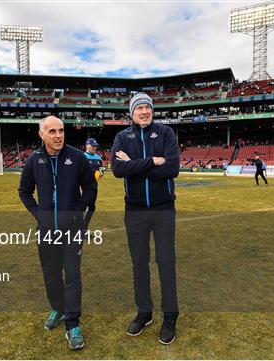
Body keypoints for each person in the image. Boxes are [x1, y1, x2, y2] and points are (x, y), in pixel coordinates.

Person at [18, 116, 97, 350]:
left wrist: (77, 211)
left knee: (72, 276)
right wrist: (38, 214)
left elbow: (91, 188)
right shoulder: (34, 160)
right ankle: (58, 308)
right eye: (52, 131)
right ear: (42, 134)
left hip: (71, 230)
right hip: (45, 231)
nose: (58, 135)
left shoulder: (77, 157)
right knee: (51, 274)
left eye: (61, 130)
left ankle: (72, 324)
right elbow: (24, 191)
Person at [111, 92, 180, 345]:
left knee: (166, 262)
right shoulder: (122, 137)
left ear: (152, 111)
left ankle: (170, 315)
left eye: (147, 107)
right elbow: (118, 170)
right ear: (131, 112)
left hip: (163, 210)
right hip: (135, 211)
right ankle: (144, 312)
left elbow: (172, 169)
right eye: (139, 107)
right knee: (139, 263)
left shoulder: (165, 133)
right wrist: (152, 161)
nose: (144, 111)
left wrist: (136, 166)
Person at [83, 138, 103, 227]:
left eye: (96, 146)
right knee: (82, 207)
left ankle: (83, 228)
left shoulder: (99, 158)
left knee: (91, 208)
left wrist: (101, 174)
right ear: (87, 145)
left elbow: (101, 171)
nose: (95, 148)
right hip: (82, 186)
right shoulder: (82, 157)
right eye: (93, 146)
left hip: (94, 187)